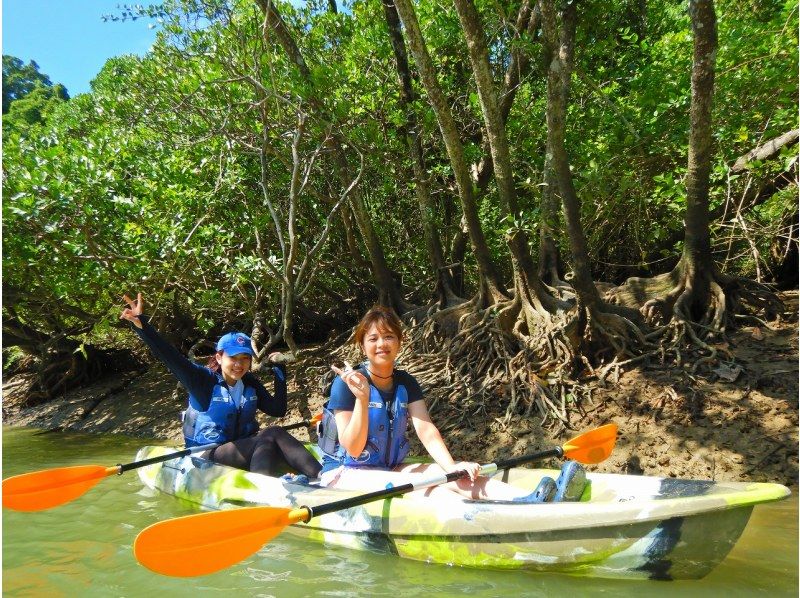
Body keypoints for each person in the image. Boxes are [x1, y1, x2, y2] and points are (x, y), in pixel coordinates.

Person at [317, 305, 585, 502]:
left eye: (388, 337)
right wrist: (363, 399)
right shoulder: (348, 384)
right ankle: (508, 510)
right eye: (373, 338)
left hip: (388, 467)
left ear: (399, 342)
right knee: (423, 484)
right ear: (363, 345)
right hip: (346, 472)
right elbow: (352, 448)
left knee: (453, 476)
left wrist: (451, 466)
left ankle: (529, 499)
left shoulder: (405, 382)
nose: (381, 344)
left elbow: (426, 430)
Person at [120, 292, 321, 480]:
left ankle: (324, 478)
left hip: (241, 448)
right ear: (219, 356)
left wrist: (279, 370)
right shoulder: (202, 381)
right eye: (233, 357)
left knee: (273, 432)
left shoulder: (248, 382)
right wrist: (142, 326)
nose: (239, 364)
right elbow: (170, 357)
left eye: (245, 358)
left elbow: (277, 410)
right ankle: (267, 489)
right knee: (270, 435)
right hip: (207, 455)